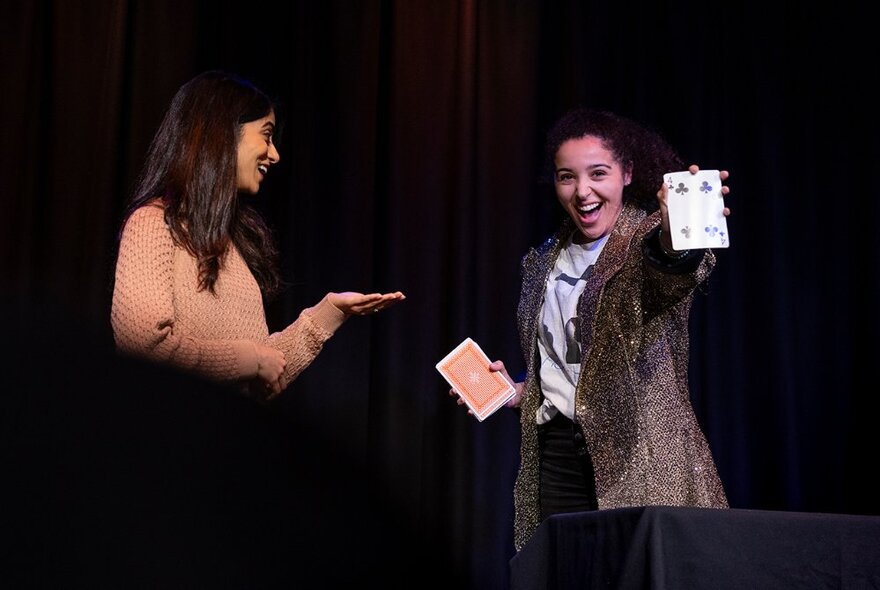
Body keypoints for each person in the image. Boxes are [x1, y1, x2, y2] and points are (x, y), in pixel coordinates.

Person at [450, 107, 730, 551]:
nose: (583, 192)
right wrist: (520, 392)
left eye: (598, 173)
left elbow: (668, 275)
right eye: (567, 177)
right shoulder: (541, 262)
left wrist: (677, 240)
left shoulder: (648, 239)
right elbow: (571, 368)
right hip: (558, 455)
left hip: (641, 455)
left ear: (627, 174)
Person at [111, 70, 404, 401]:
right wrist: (249, 359)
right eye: (266, 135)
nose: (275, 154)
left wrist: (331, 312)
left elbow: (265, 375)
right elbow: (143, 349)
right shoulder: (153, 225)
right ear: (222, 133)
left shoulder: (232, 244)